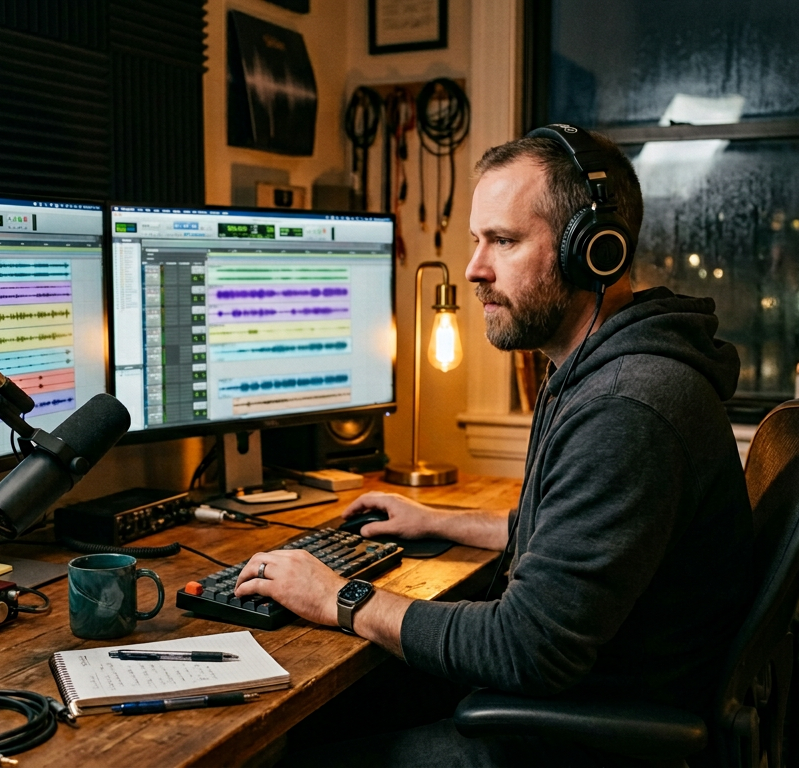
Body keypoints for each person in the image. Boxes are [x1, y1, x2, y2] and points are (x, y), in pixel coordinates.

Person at [234, 129, 754, 765]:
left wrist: (336, 596)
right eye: (476, 241)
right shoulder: (610, 367)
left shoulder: (626, 406)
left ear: (592, 251)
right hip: (587, 695)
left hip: (578, 736)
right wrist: (438, 520)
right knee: (334, 711)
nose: (475, 269)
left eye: (503, 241)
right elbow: (573, 537)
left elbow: (524, 647)